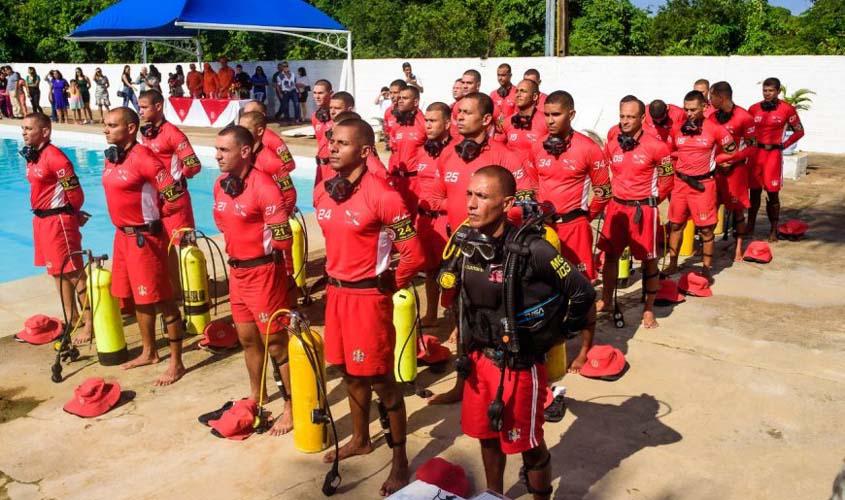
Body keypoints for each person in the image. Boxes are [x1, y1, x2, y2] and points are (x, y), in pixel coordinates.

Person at [451, 165, 596, 499]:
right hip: (479, 363)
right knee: (487, 437)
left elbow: (582, 291)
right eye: (469, 195)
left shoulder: (534, 249)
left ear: (507, 203)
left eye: (482, 196)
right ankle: (493, 494)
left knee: (528, 445)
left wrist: (561, 332)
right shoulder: (469, 243)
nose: (471, 204)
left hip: (519, 365)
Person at [313, 118, 426, 496]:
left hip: (367, 299)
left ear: (363, 151)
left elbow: (413, 254)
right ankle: (360, 438)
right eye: (332, 141)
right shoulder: (322, 192)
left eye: (342, 143)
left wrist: (388, 286)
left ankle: (400, 460)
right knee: (347, 371)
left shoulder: (384, 195)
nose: (332, 148)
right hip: (336, 296)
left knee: (383, 383)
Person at [212, 125, 295, 436]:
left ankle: (291, 405)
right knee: (247, 339)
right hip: (237, 274)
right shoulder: (221, 184)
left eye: (224, 150)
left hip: (263, 274)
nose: (217, 156)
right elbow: (221, 221)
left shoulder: (265, 187)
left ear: (245, 152)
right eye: (217, 150)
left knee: (276, 343)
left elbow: (283, 238)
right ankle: (257, 395)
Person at [101, 107, 190, 385]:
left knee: (162, 298)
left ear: (130, 128)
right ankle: (149, 351)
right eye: (105, 125)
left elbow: (174, 195)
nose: (106, 129)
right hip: (123, 238)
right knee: (140, 298)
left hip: (145, 239)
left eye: (112, 125)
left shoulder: (145, 159)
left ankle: (177, 362)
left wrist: (155, 221)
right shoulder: (113, 158)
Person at [596, 95, 674, 329]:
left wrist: (650, 202)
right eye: (622, 116)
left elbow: (667, 179)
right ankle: (607, 300)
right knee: (610, 256)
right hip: (617, 209)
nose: (625, 121)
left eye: (631, 116)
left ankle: (648, 309)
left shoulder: (658, 146)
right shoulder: (612, 143)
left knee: (649, 261)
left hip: (644, 211)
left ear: (642, 118)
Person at [22, 112, 93, 344]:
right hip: (42, 221)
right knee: (56, 273)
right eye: (22, 128)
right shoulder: (33, 156)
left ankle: (90, 325)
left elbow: (76, 194)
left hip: (58, 222)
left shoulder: (57, 159)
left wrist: (71, 213)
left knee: (73, 273)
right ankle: (73, 319)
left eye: (29, 129)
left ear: (45, 131)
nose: (24, 133)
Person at [526, 89, 610, 283]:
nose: (550, 120)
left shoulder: (589, 148)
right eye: (546, 114)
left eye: (556, 114)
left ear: (571, 115)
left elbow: (604, 192)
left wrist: (584, 218)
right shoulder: (537, 146)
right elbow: (533, 185)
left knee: (582, 283)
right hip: (545, 227)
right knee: (546, 283)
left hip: (575, 228)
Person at [663, 90, 737, 282]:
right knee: (676, 224)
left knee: (705, 229)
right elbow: (670, 152)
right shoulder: (677, 129)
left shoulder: (715, 129)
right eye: (686, 109)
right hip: (680, 184)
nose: (689, 113)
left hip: (703, 185)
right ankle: (672, 263)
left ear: (704, 107)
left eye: (693, 109)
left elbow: (732, 149)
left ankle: (706, 267)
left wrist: (718, 160)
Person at [137, 89, 203, 300]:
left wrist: (177, 181)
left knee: (186, 245)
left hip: (175, 200)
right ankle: (176, 289)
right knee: (163, 248)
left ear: (158, 106)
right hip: (154, 201)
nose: (140, 111)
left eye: (144, 107)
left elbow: (194, 164)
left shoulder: (173, 133)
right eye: (139, 107)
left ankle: (197, 288)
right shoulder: (144, 133)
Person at [747, 77, 805, 241]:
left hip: (773, 156)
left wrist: (784, 145)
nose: (767, 94)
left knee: (773, 194)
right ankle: (750, 225)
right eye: (765, 90)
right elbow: (746, 130)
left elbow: (799, 131)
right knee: (754, 192)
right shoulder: (753, 109)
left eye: (771, 91)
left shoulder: (787, 109)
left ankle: (773, 228)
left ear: (778, 92)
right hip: (756, 155)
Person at [411, 102, 452, 326]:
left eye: (433, 120)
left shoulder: (456, 152)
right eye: (426, 120)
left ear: (447, 123)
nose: (428, 125)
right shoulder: (422, 151)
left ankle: (457, 322)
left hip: (445, 219)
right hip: (424, 219)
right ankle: (431, 314)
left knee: (452, 273)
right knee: (429, 270)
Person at [708, 81, 755, 261]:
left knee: (738, 211)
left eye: (712, 96)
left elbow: (752, 148)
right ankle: (708, 246)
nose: (710, 100)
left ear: (722, 97)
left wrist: (732, 160)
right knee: (711, 207)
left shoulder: (744, 117)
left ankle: (738, 249)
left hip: (736, 171)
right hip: (717, 171)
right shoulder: (712, 118)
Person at [387, 85, 426, 206]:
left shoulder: (424, 123)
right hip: (400, 181)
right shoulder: (397, 125)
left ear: (415, 102)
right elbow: (394, 153)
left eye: (405, 98)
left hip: (418, 181)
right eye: (399, 98)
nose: (400, 100)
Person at [496, 79, 548, 162]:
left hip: (536, 172)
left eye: (523, 91)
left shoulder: (546, 121)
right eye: (516, 91)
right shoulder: (507, 122)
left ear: (535, 97)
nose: (518, 94)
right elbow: (498, 149)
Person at [310, 79, 334, 169]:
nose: (317, 96)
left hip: (336, 167)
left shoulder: (339, 116)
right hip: (321, 166)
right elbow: (320, 142)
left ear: (331, 93)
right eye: (315, 93)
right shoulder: (315, 117)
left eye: (320, 93)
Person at [490, 63, 517, 128]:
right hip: (496, 133)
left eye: (503, 75)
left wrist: (505, 123)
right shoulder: (493, 94)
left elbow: (518, 114)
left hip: (511, 130)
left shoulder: (517, 92)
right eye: (498, 75)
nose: (500, 78)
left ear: (510, 76)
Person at [383, 80, 407, 151]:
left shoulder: (412, 112)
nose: (392, 96)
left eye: (396, 93)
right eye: (390, 93)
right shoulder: (388, 112)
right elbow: (387, 131)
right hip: (394, 155)